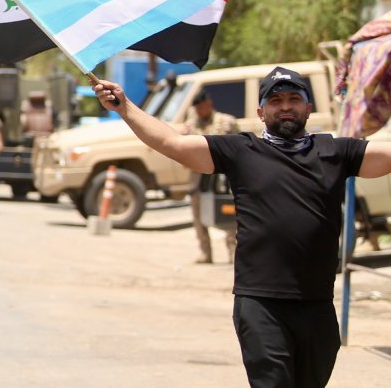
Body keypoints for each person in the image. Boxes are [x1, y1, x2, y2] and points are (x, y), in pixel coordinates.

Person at [93, 66, 391, 388]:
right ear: (261, 112)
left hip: (318, 304)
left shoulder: (334, 151)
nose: (286, 106)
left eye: (294, 98)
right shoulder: (241, 151)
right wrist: (124, 106)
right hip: (261, 303)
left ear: (308, 108)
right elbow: (172, 143)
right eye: (276, 100)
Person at [182, 91, 239, 264]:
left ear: (208, 104)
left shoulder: (226, 122)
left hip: (223, 178)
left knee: (230, 215)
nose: (199, 111)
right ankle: (205, 252)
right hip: (199, 178)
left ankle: (233, 251)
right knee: (199, 217)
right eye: (196, 108)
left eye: (201, 107)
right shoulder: (190, 126)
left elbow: (239, 145)